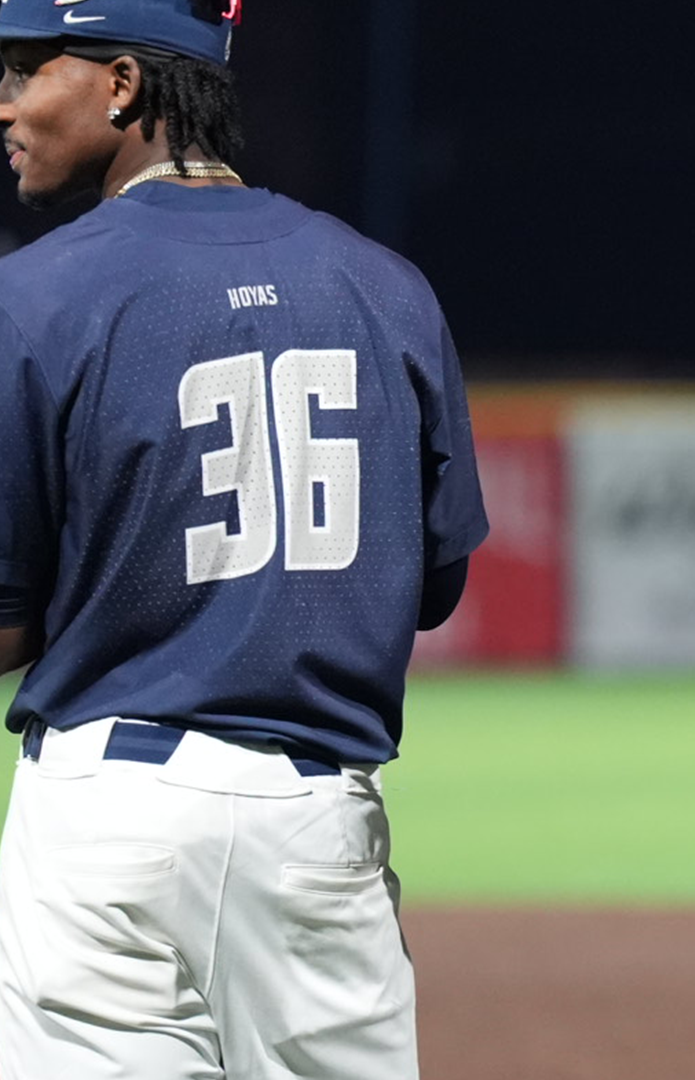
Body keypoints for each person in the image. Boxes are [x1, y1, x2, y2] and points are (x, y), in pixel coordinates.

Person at [0, 2, 488, 1076]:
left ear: (122, 83)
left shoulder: (32, 299)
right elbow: (433, 584)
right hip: (318, 822)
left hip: (109, 815)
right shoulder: (387, 285)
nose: (6, 103)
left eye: (28, 69)